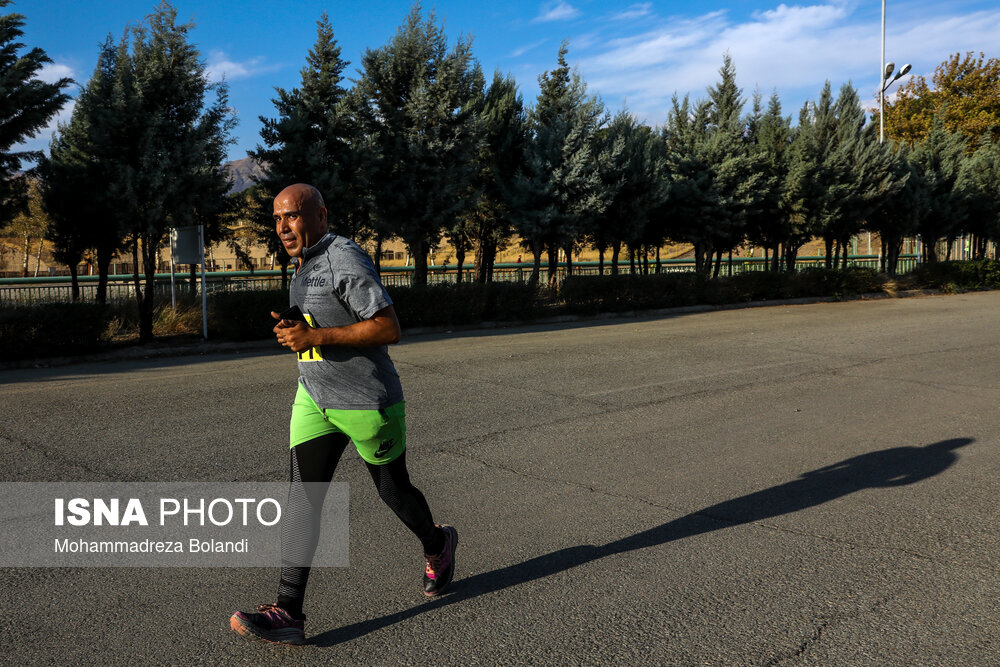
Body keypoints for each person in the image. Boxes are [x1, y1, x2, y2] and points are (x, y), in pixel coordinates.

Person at [230, 183, 457, 645]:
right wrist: (300, 326)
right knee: (304, 500)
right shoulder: (305, 262)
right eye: (277, 219)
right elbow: (328, 317)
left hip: (367, 401)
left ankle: (438, 544)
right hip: (314, 398)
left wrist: (314, 340)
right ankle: (288, 612)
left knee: (394, 491)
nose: (283, 227)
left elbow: (388, 327)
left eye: (292, 216)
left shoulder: (343, 257)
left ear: (320, 215)